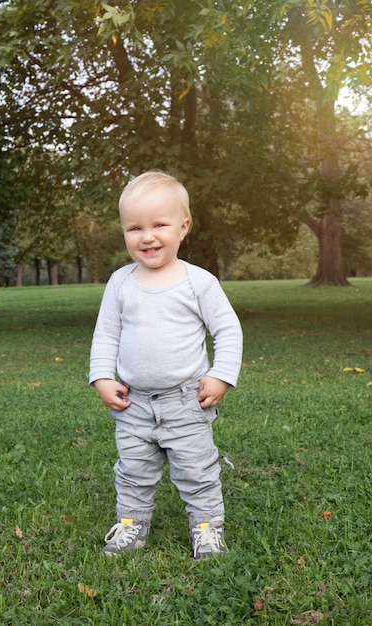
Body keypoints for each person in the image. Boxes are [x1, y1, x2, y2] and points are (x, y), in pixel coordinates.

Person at [89, 171, 243, 559]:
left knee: (197, 470)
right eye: (134, 227)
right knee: (134, 470)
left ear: (183, 226)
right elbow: (106, 334)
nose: (147, 236)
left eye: (159, 224)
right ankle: (131, 525)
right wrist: (102, 377)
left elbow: (228, 330)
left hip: (186, 401)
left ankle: (207, 528)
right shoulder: (120, 283)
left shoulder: (198, 282)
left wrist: (221, 375)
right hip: (134, 402)